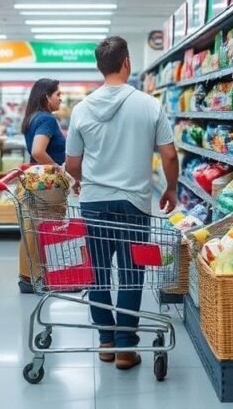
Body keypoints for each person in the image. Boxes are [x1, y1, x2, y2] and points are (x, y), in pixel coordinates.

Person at [65, 36, 179, 370]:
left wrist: (82, 178)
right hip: (135, 204)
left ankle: (106, 342)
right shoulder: (149, 105)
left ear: (100, 67)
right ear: (126, 62)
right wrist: (171, 189)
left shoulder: (81, 109)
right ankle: (127, 348)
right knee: (131, 274)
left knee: (98, 275)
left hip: (95, 202)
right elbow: (169, 155)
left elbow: (72, 164)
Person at [17, 78, 66, 294]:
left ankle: (28, 277)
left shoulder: (33, 117)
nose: (61, 98)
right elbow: (38, 151)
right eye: (58, 94)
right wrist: (58, 169)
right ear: (46, 97)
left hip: (34, 180)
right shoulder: (47, 119)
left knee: (32, 229)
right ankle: (41, 278)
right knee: (46, 229)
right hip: (47, 183)